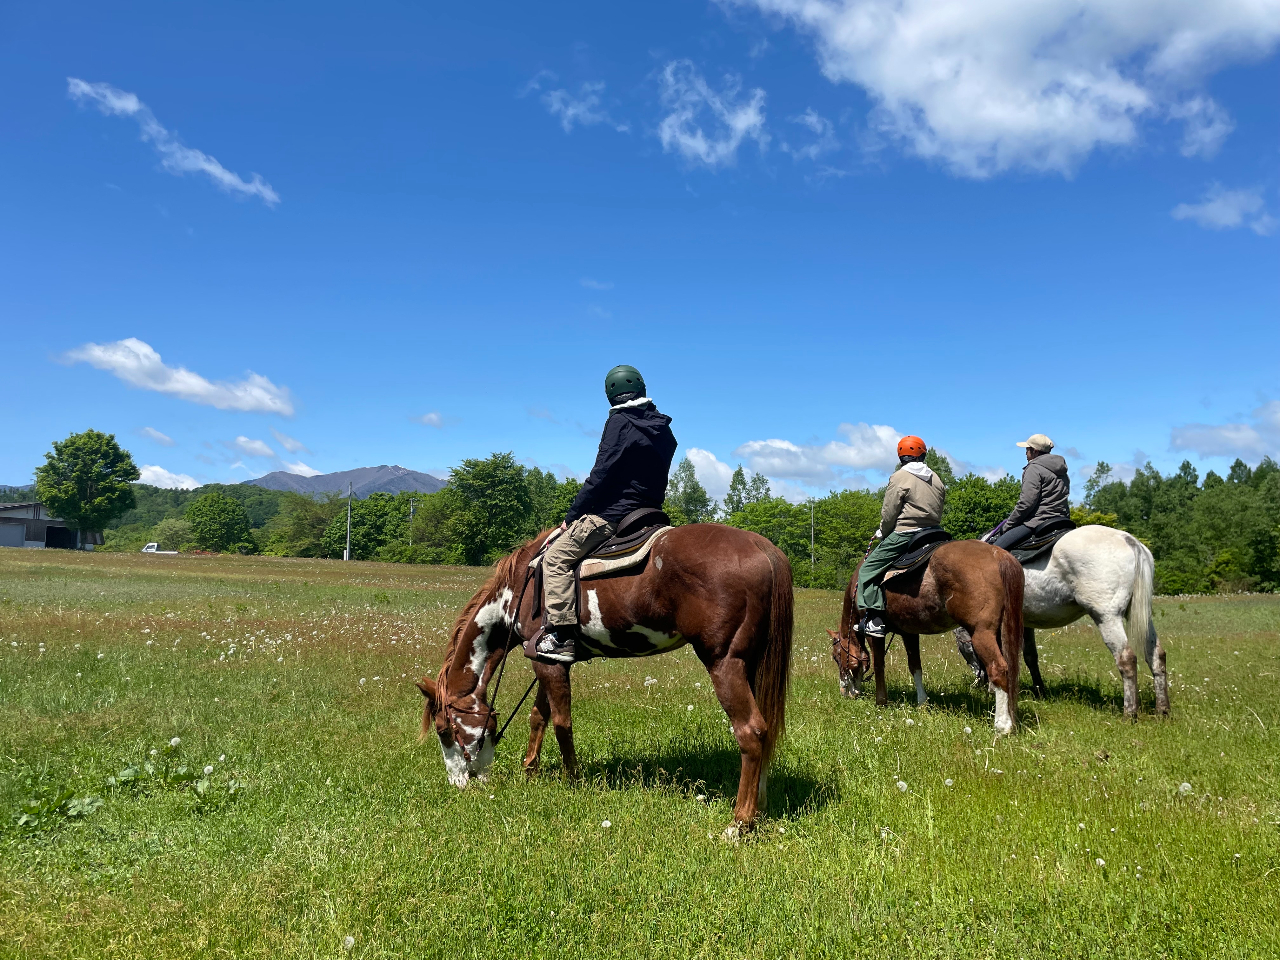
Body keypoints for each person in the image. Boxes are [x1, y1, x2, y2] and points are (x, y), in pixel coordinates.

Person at [529, 365, 678, 664]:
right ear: (642, 388)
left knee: (555, 559)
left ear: (610, 394)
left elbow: (601, 474)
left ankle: (561, 636)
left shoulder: (620, 422)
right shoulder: (663, 428)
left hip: (612, 515)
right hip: (651, 513)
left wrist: (572, 516)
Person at [856, 436, 947, 639]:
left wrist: (883, 531)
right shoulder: (936, 478)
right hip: (935, 533)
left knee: (867, 569)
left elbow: (889, 512)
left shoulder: (899, 477)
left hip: (907, 533)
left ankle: (874, 620)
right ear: (923, 454)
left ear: (901, 456)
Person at [989, 433, 1070, 551]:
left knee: (993, 552)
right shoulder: (1062, 471)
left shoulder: (1034, 468)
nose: (1025, 453)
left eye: (1027, 449)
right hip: (1062, 520)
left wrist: (1008, 525)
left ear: (1035, 451)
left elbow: (1026, 502)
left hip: (1038, 522)